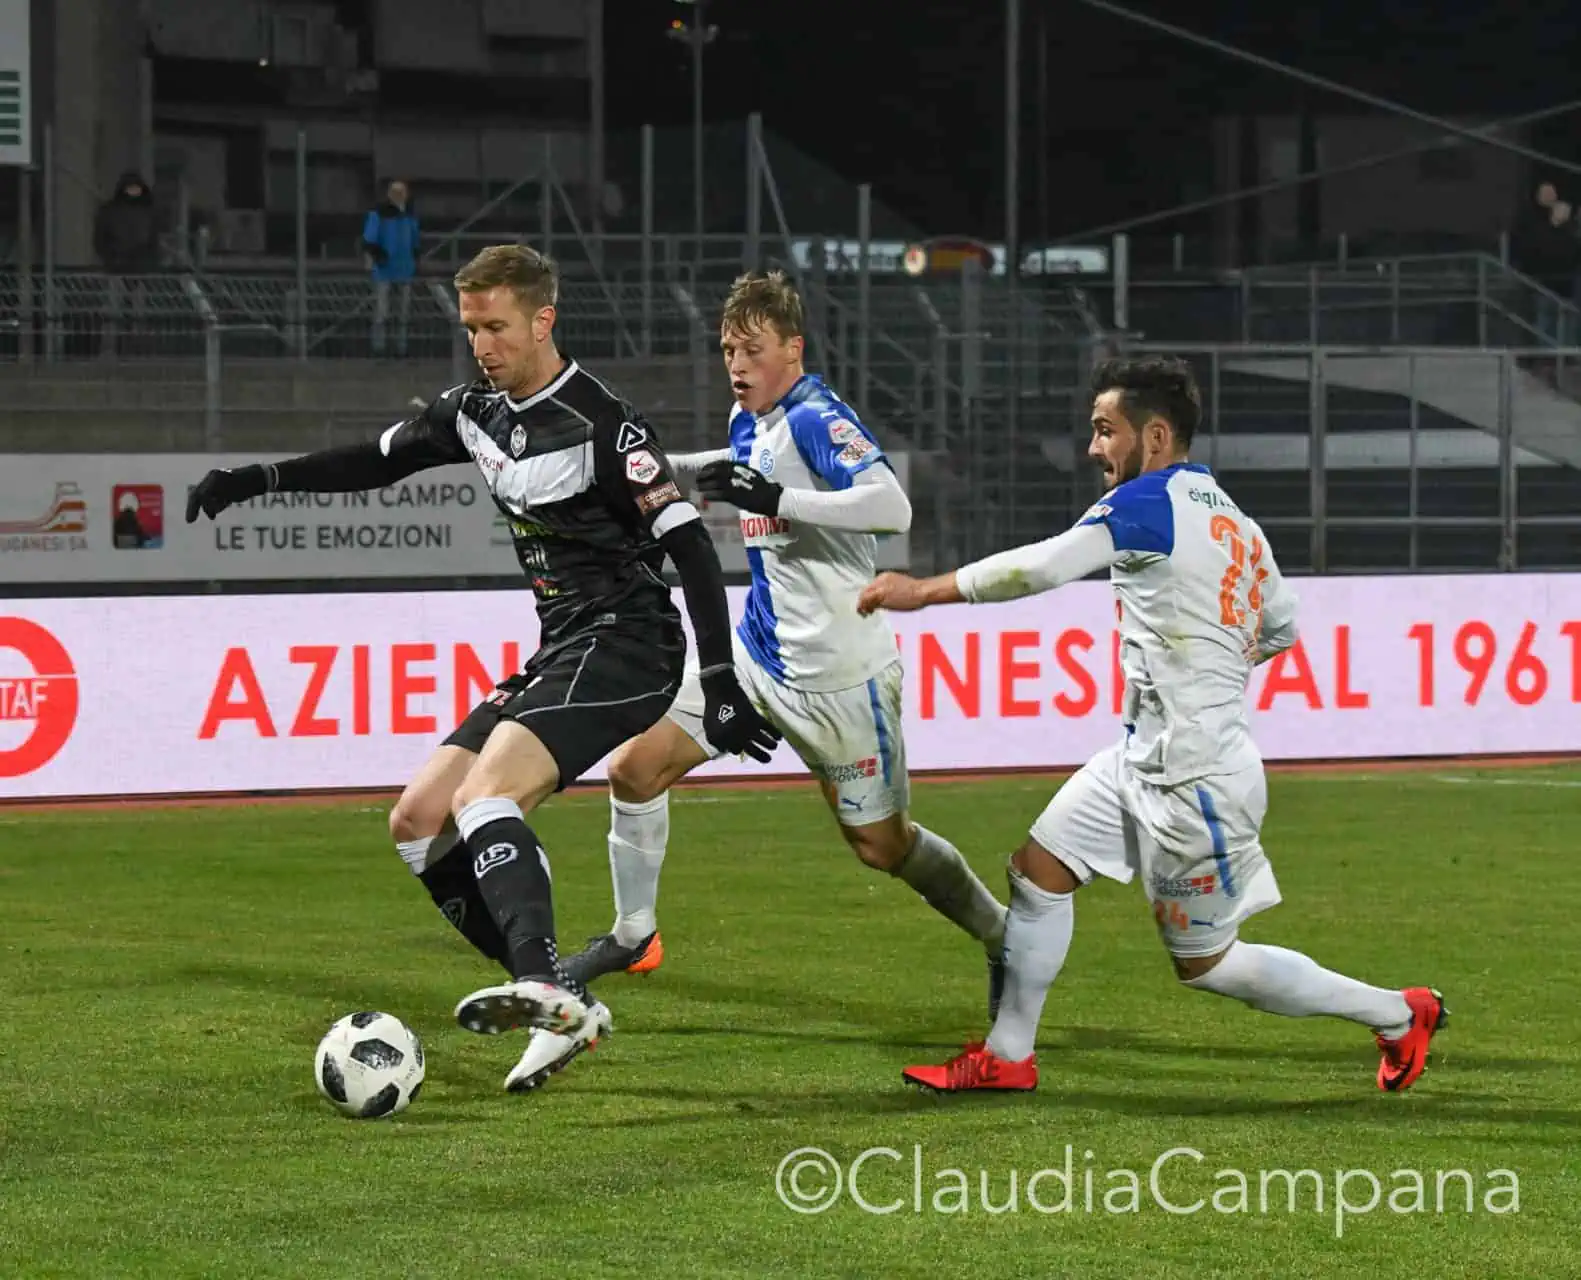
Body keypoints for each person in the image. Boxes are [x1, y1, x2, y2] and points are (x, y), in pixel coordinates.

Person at [184, 243, 780, 1091]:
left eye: (496, 327)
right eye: (471, 329)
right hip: (563, 645)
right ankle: (563, 998)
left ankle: (539, 983)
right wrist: (258, 478)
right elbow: (377, 460)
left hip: (631, 643)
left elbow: (687, 545)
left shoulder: (604, 424)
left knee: (484, 797)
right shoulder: (475, 412)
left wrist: (718, 680)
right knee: (419, 820)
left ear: (544, 319)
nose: (483, 346)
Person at [857, 355, 1447, 1094]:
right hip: (1141, 755)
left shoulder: (1147, 504)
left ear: (1156, 435)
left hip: (1193, 778)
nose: (1094, 448)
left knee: (1206, 963)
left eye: (1106, 431)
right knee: (1038, 870)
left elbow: (1042, 567)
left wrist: (925, 590)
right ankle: (1007, 1057)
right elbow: (1279, 628)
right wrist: (1204, 675)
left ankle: (1396, 1012)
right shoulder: (1235, 520)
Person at [506, 269, 1009, 1091]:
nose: (736, 365)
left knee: (882, 847)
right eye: (728, 351)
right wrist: (658, 466)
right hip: (760, 656)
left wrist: (778, 496)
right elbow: (729, 471)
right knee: (636, 769)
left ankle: (1001, 937)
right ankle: (635, 933)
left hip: (844, 681)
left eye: (752, 350)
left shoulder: (816, 417)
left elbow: (892, 508)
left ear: (792, 349)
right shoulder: (751, 418)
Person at [363, 179, 420, 357]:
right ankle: (380, 348)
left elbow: (415, 240)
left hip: (402, 268)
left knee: (401, 312)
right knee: (383, 311)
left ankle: (399, 348)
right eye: (395, 192)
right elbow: (370, 240)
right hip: (386, 269)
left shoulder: (408, 215)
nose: (398, 196)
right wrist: (378, 256)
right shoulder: (380, 214)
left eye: (401, 192)